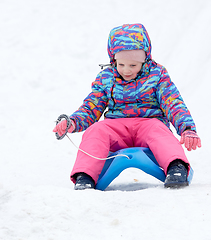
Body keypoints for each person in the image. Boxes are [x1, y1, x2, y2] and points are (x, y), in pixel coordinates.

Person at [53, 23, 201, 190]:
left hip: (148, 123)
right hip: (117, 127)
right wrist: (72, 122)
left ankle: (176, 165)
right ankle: (85, 175)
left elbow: (173, 103)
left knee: (159, 131)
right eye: (121, 64)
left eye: (133, 65)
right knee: (96, 131)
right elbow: (91, 106)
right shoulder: (106, 78)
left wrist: (187, 128)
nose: (126, 70)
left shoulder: (157, 75)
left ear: (145, 60)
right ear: (113, 59)